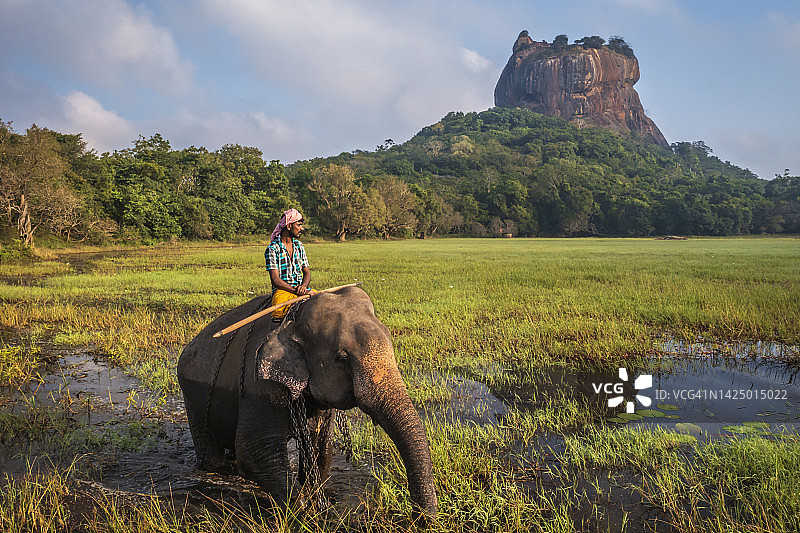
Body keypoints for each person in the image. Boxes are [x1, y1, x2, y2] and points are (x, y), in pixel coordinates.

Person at [265, 208, 313, 321]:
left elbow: (307, 273)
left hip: (301, 290)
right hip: (283, 291)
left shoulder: (299, 246)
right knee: (278, 313)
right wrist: (296, 290)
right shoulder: (273, 249)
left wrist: (304, 287)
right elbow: (275, 280)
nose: (302, 228)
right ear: (289, 226)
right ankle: (273, 338)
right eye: (299, 225)